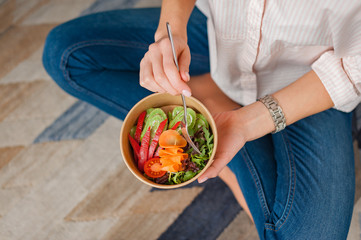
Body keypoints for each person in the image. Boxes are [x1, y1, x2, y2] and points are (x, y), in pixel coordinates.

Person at [42, 0, 361, 239]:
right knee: (65, 54)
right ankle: (219, 128)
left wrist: (248, 123)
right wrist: (171, 30)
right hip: (222, 42)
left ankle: (223, 131)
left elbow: (355, 68)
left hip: (308, 80)